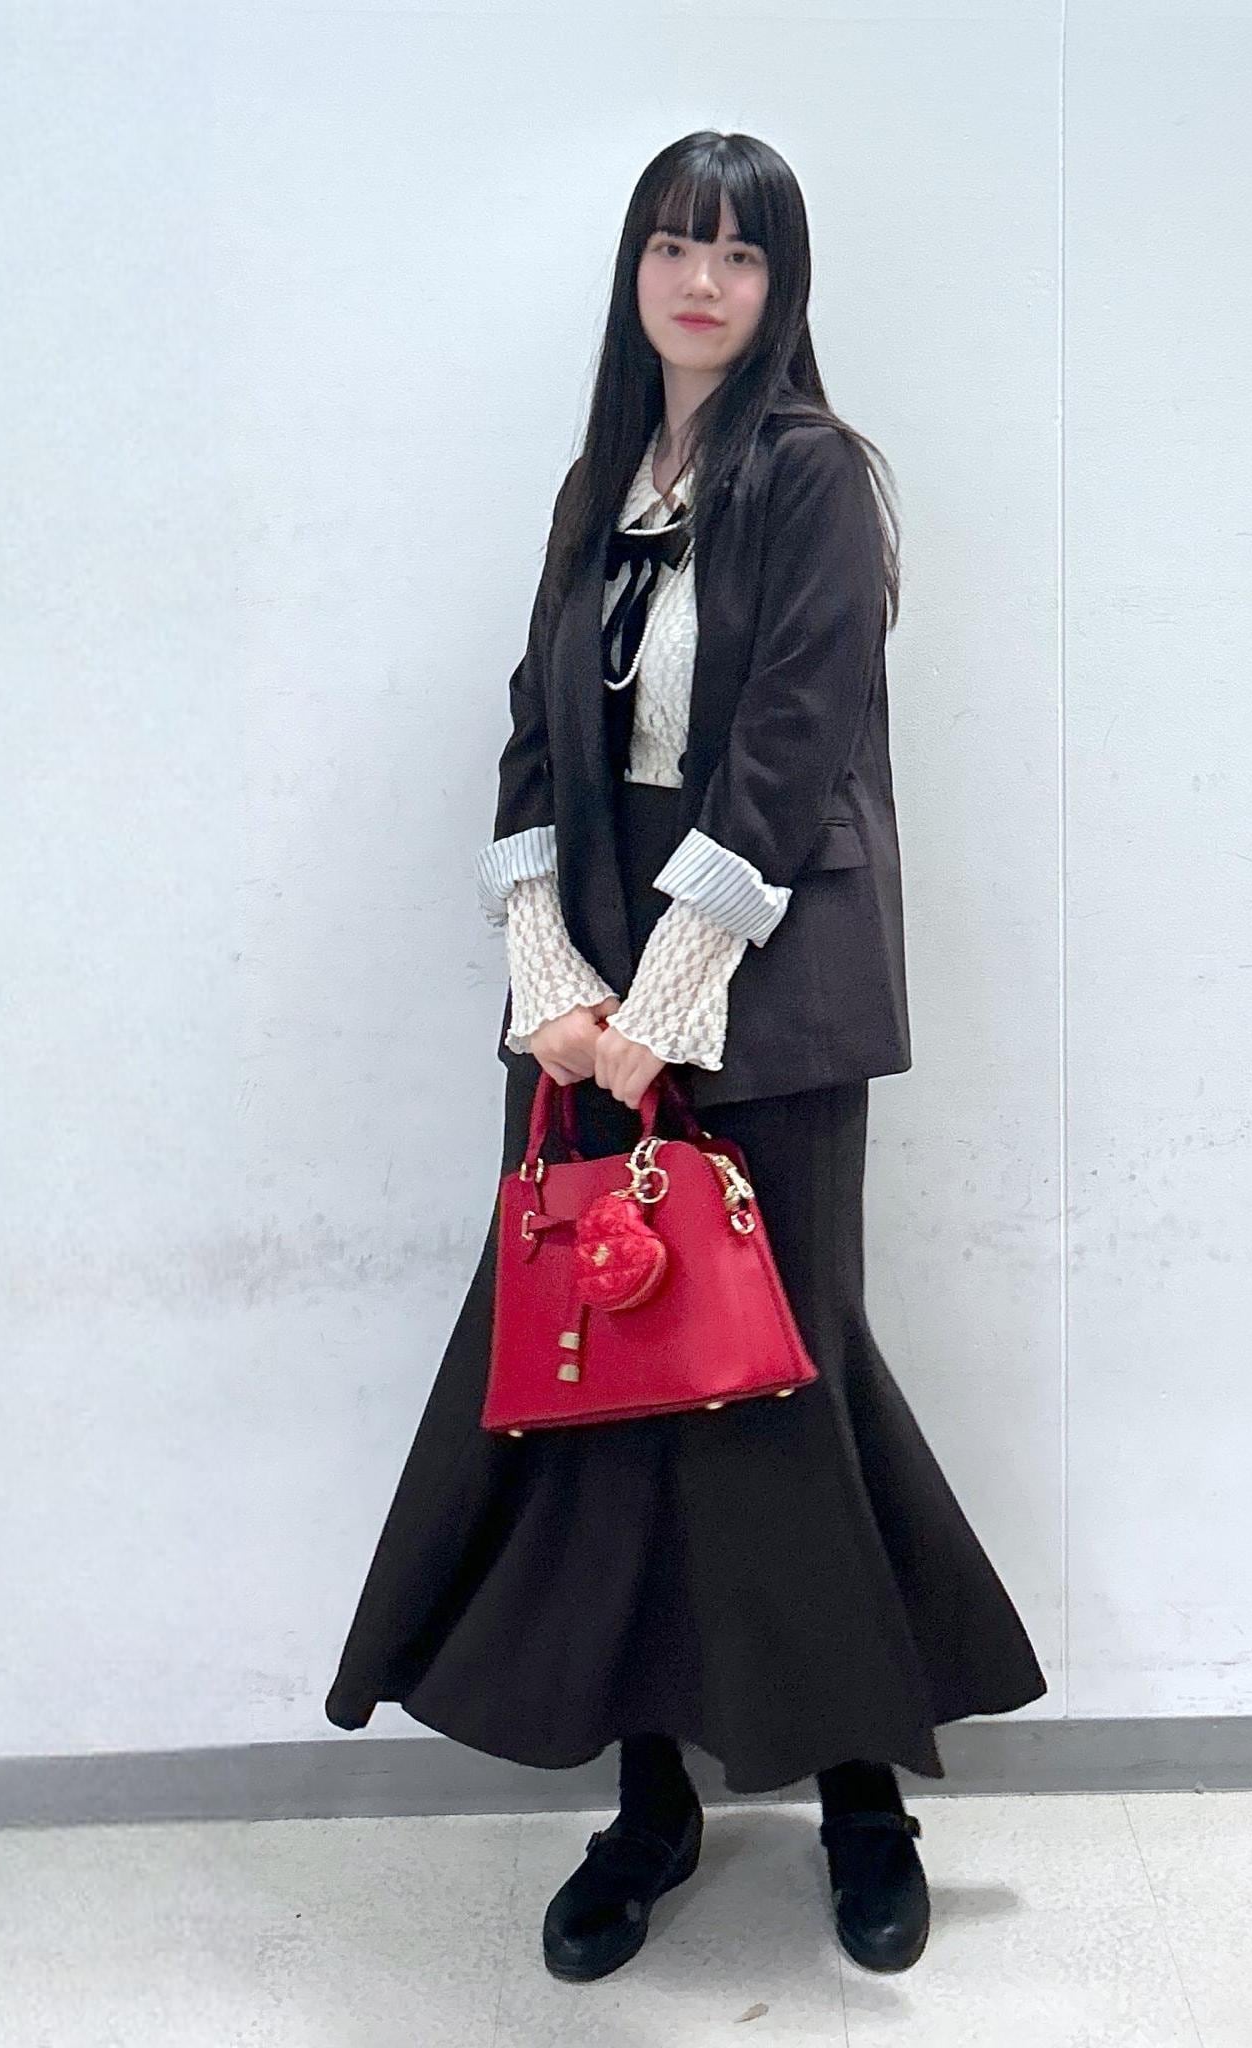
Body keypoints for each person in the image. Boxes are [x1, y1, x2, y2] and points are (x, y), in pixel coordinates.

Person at [324, 130, 1048, 1983]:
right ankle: (652, 1803)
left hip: (762, 985)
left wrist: (663, 1008)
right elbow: (530, 741)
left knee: (777, 1382)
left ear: (780, 284)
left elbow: (791, 747)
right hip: (586, 995)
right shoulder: (598, 485)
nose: (701, 281)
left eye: (738, 253)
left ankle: (860, 1798)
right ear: (634, 271)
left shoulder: (813, 476)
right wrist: (551, 980)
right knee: (609, 1394)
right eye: (672, 245)